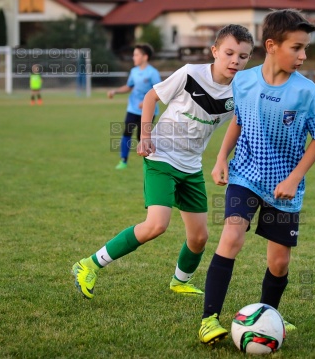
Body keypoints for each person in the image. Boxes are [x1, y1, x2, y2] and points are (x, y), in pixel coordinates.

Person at [71, 25, 255, 300]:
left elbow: (239, 122)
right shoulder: (191, 73)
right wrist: (145, 136)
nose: (235, 61)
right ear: (215, 51)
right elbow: (151, 97)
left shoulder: (240, 90)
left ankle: (180, 281)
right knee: (157, 225)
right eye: (229, 53)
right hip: (161, 155)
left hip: (191, 166)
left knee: (199, 237)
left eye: (243, 56)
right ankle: (89, 264)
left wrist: (221, 158)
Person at [197, 9, 315, 345]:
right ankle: (208, 319)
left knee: (279, 260)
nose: (302, 56)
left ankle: (268, 317)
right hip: (245, 173)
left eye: (305, 49)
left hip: (285, 185)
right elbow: (238, 121)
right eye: (296, 48)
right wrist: (220, 158)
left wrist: (294, 178)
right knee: (232, 236)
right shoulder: (243, 80)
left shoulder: (307, 92)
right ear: (272, 45)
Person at [108, 44, 161, 169]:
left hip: (148, 111)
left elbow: (160, 90)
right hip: (132, 109)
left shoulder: (152, 73)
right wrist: (115, 91)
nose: (133, 57)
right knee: (126, 132)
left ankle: (150, 162)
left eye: (136, 54)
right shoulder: (134, 71)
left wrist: (147, 103)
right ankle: (123, 161)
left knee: (142, 137)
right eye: (133, 55)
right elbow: (129, 86)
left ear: (145, 57)